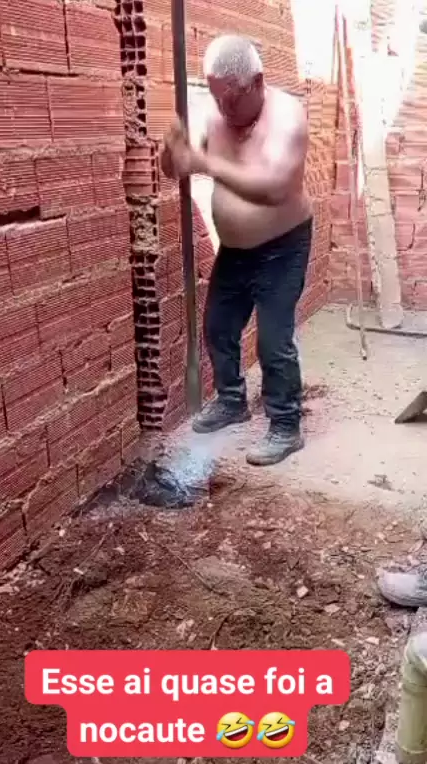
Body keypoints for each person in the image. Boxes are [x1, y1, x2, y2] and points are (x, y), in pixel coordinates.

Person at [161, 34, 313, 466]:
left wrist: (204, 163)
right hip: (236, 249)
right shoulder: (211, 112)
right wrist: (171, 154)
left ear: (257, 82)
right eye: (216, 97)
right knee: (218, 326)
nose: (223, 108)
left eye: (231, 98)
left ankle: (286, 425)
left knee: (273, 340)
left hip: (284, 246)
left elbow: (274, 188)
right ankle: (232, 401)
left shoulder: (288, 116)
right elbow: (174, 169)